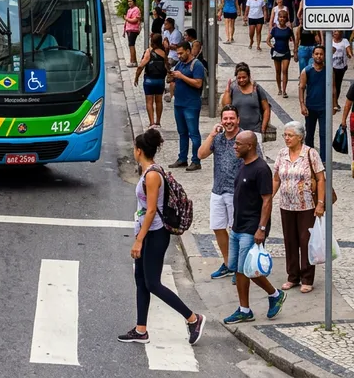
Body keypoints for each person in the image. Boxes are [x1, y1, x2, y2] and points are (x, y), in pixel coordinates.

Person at [118, 128, 206, 345]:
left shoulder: (152, 175)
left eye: (134, 148)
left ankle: (193, 318)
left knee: (153, 283)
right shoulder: (148, 171)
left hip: (156, 234)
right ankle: (140, 330)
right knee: (140, 281)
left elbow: (150, 210)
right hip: (147, 232)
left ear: (139, 151)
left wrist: (139, 240)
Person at [223, 131, 287, 324]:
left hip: (251, 228)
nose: (235, 146)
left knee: (245, 270)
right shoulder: (244, 165)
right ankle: (273, 295)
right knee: (237, 268)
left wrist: (261, 228)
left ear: (250, 146)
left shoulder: (261, 169)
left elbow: (267, 200)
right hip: (237, 226)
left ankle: (247, 308)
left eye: (238, 144)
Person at [197, 106, 251, 280]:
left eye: (231, 118)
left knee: (237, 231)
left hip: (237, 193)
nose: (228, 122)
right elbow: (201, 154)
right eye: (225, 118)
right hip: (218, 190)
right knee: (218, 227)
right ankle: (228, 263)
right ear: (221, 120)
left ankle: (240, 268)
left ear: (238, 120)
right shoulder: (218, 138)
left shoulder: (244, 138)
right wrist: (212, 135)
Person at [272, 120, 326, 293]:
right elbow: (276, 179)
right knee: (290, 241)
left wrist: (320, 203)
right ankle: (292, 276)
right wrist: (267, 198)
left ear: (300, 137)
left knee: (306, 241)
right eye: (285, 135)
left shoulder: (310, 154)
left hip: (307, 206)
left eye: (290, 135)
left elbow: (320, 179)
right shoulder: (281, 154)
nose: (286, 138)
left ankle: (307, 278)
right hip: (286, 205)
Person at [168, 41, 205, 171]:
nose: (179, 55)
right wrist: (171, 77)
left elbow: (198, 83)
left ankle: (196, 160)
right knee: (182, 132)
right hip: (179, 103)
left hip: (191, 104)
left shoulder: (197, 65)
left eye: (181, 53)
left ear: (188, 51)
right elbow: (174, 79)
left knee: (193, 133)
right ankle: (182, 158)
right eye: (177, 53)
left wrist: (182, 76)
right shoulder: (180, 64)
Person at [221, 63, 271, 142]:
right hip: (236, 132)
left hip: (255, 132)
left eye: (244, 77)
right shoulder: (233, 88)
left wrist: (263, 128)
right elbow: (226, 107)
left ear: (249, 76)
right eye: (239, 78)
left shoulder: (257, 88)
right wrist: (227, 91)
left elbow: (266, 109)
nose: (241, 80)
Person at [134, 33, 170, 129]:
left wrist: (136, 77)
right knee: (159, 101)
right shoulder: (163, 53)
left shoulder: (149, 52)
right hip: (160, 81)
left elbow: (141, 66)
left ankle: (152, 122)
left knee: (149, 102)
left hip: (149, 80)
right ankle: (158, 122)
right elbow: (167, 66)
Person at [299, 45, 329, 157]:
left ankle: (324, 159)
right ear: (312, 55)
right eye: (316, 54)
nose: (319, 56)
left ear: (324, 56)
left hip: (325, 107)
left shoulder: (329, 71)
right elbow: (301, 87)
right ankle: (310, 158)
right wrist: (302, 105)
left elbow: (334, 89)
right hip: (310, 107)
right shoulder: (306, 71)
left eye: (321, 54)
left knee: (324, 134)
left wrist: (334, 104)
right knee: (309, 134)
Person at [270, 9, 295, 97]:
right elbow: (267, 39)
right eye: (280, 17)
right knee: (278, 71)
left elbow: (294, 39)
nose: (282, 19)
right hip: (276, 52)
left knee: (285, 71)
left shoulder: (288, 30)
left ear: (286, 19)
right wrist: (271, 45)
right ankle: (279, 88)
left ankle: (284, 90)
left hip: (286, 52)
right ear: (278, 18)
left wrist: (295, 50)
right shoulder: (275, 29)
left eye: (284, 17)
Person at [331, 30, 352, 111]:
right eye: (334, 31)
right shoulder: (330, 41)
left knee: (338, 85)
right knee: (333, 85)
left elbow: (349, 50)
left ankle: (335, 101)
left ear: (341, 33)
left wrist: (350, 54)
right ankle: (334, 103)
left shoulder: (345, 41)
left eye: (337, 31)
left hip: (341, 67)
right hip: (332, 67)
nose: (335, 33)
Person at [124, 0, 142, 67]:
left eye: (130, 1)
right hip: (129, 29)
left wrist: (126, 19)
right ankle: (133, 60)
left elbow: (135, 20)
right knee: (130, 45)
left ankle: (133, 61)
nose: (129, 3)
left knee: (131, 45)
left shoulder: (136, 9)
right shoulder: (129, 10)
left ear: (134, 2)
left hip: (133, 30)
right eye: (128, 1)